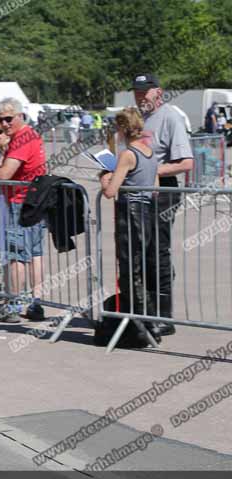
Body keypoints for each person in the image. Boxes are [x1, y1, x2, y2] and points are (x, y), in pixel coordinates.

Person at [0, 97, 47, 323]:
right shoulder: (27, 136)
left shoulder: (23, 138)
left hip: (22, 202)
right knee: (34, 255)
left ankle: (14, 306)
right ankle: (36, 303)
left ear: (20, 116)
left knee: (17, 256)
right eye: (2, 120)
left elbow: (5, 173)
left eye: (8, 119)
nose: (4, 125)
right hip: (33, 201)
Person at [133, 73, 194, 336]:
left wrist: (153, 169)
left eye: (144, 91)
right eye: (136, 91)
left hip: (162, 191)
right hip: (138, 192)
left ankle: (164, 315)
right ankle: (144, 310)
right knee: (139, 252)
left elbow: (186, 162)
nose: (140, 96)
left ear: (158, 92)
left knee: (157, 251)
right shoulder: (138, 119)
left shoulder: (170, 117)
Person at [99, 107, 159, 341]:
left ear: (123, 129)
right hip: (146, 212)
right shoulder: (149, 152)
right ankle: (149, 321)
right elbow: (154, 189)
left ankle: (142, 324)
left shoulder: (128, 154)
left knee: (129, 272)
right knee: (140, 269)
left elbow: (110, 191)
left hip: (130, 214)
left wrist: (105, 178)